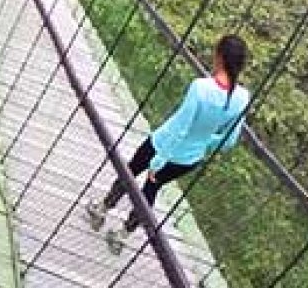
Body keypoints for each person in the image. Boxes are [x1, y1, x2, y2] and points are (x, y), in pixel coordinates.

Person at [86, 34, 251, 252]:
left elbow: (181, 127)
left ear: (219, 56)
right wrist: (203, 141)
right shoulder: (242, 98)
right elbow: (228, 141)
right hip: (190, 158)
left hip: (162, 144)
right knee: (151, 189)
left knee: (131, 171)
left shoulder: (201, 88)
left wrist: (159, 160)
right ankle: (124, 233)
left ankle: (103, 209)